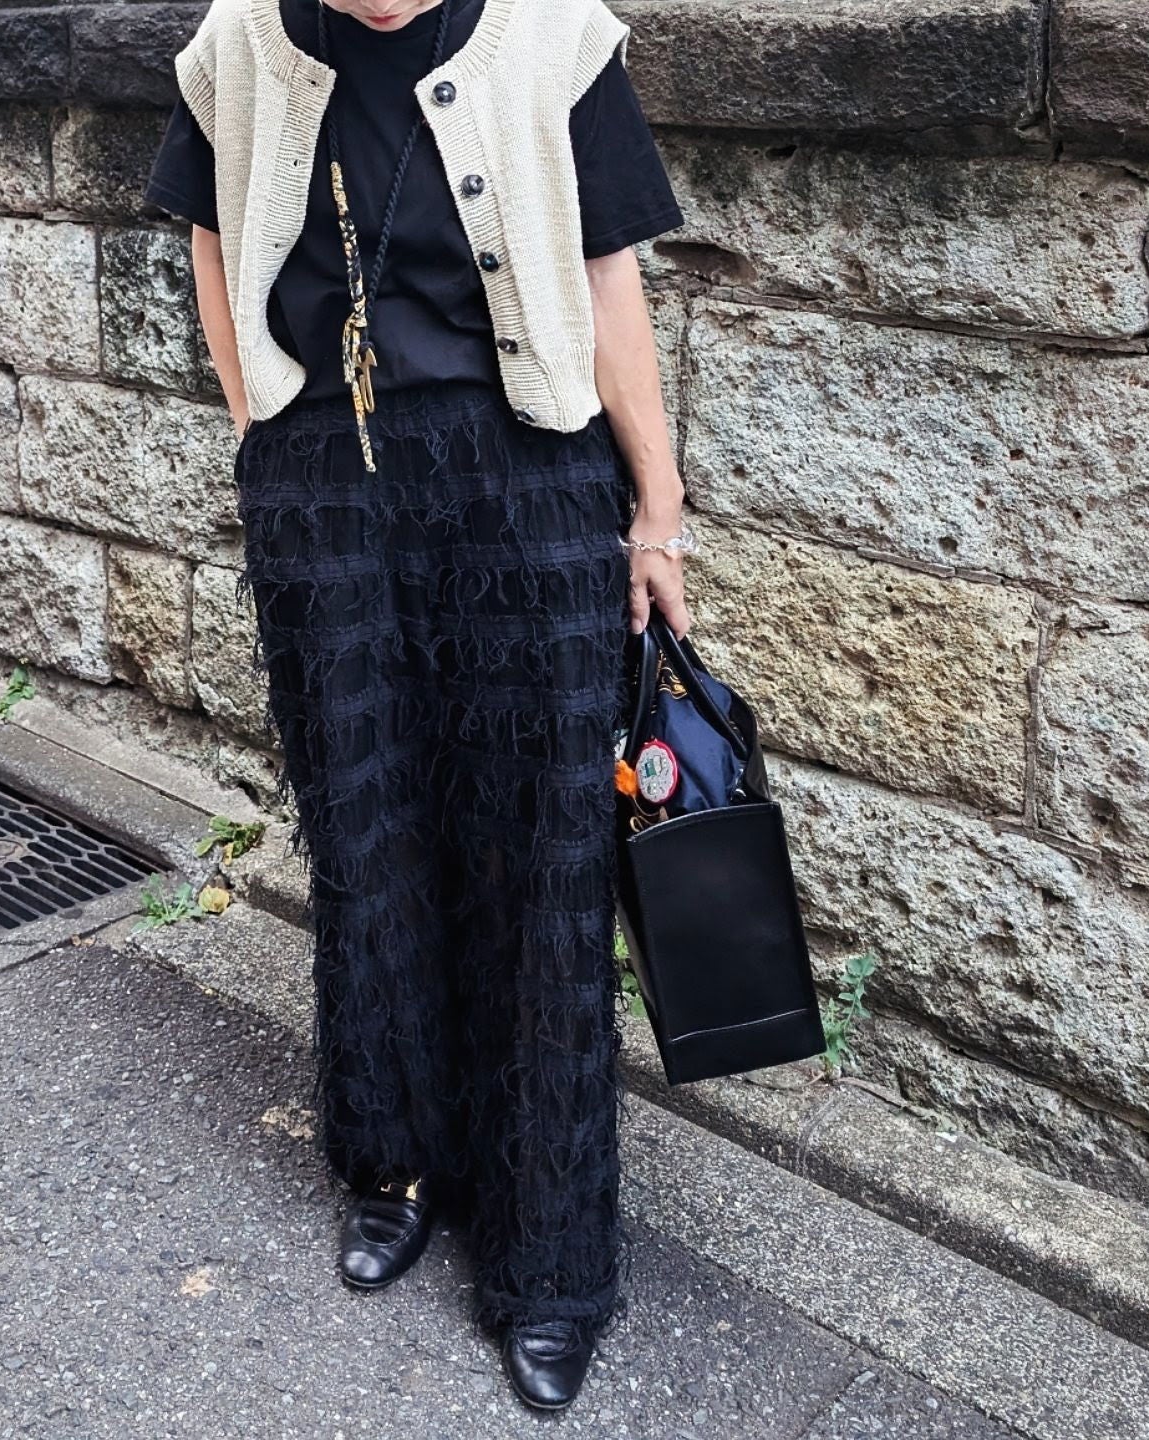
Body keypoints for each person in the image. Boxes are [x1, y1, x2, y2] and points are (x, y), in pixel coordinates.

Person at [144, 0, 691, 1411]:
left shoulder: (554, 37)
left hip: (526, 483)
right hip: (325, 491)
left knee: (541, 866)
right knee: (365, 836)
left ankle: (550, 1254)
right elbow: (208, 232)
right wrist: (259, 421)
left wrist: (658, 513)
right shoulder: (236, 44)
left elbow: (608, 275)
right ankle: (394, 1161)